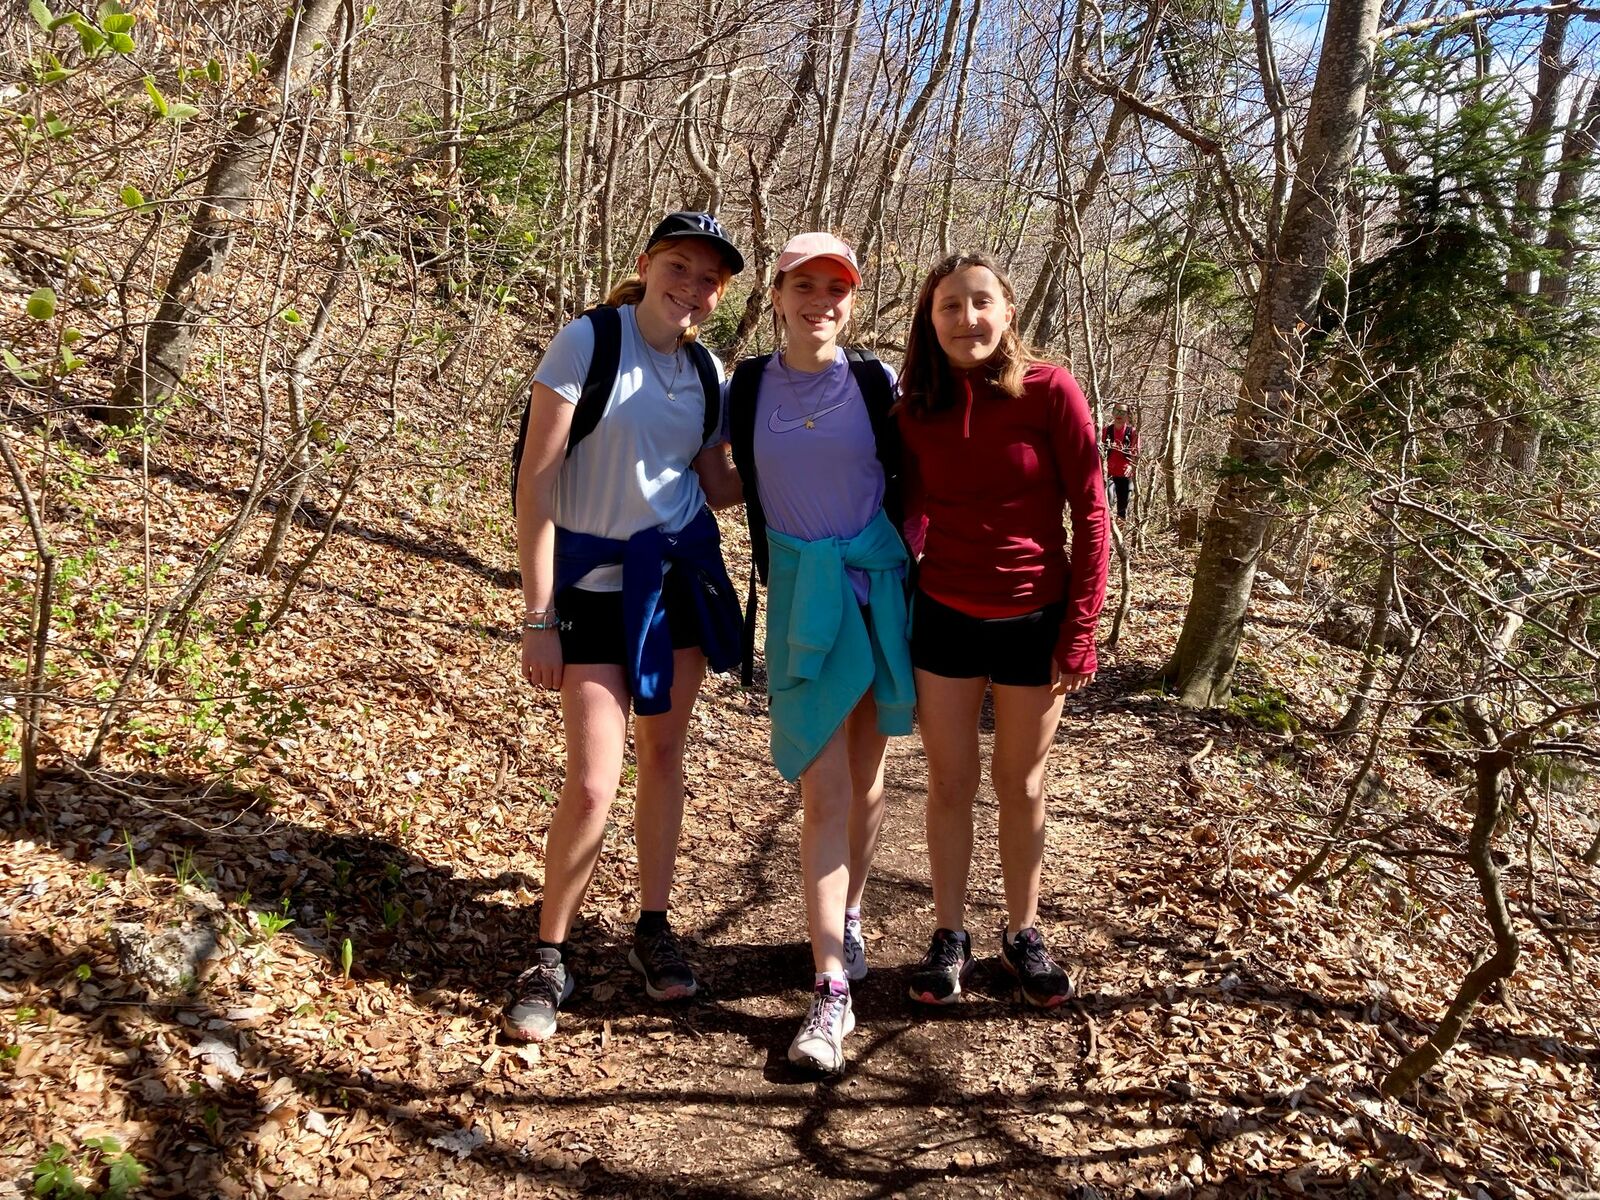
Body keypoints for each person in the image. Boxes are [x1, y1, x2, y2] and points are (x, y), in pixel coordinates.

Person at [504, 211, 747, 1042]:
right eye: (679, 267)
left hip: (675, 583)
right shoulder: (589, 342)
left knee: (665, 757)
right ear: (646, 264)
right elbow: (536, 484)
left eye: (709, 279)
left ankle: (653, 926)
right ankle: (549, 954)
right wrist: (538, 616)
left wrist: (805, 446)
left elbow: (717, 485)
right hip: (590, 587)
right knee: (593, 781)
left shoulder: (707, 370)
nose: (692, 287)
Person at [896, 251, 1109, 1010]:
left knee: (1020, 784)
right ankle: (948, 934)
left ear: (1008, 311)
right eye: (950, 306)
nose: (967, 318)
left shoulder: (1050, 389)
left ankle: (1024, 933)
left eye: (981, 302)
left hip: (1034, 621)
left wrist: (1080, 629)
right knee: (949, 783)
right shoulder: (914, 406)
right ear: (931, 320)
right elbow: (905, 510)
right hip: (945, 617)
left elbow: (1092, 511)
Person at [724, 232, 913, 1073]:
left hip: (877, 588)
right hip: (804, 597)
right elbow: (715, 476)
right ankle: (830, 989)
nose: (820, 301)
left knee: (865, 781)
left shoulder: (877, 382)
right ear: (775, 295)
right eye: (804, 285)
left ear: (852, 300)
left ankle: (850, 913)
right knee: (824, 786)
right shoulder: (744, 387)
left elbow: (923, 471)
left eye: (835, 288)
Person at [1101, 403, 1138, 519]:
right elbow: (1099, 451)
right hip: (1108, 474)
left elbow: (1136, 453)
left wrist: (1131, 466)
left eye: (1123, 412)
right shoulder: (1106, 431)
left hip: (1125, 475)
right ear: (1112, 413)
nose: (1119, 414)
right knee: (1108, 503)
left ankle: (1120, 529)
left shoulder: (1132, 432)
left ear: (1128, 415)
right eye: (1116, 411)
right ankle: (1108, 529)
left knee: (1122, 509)